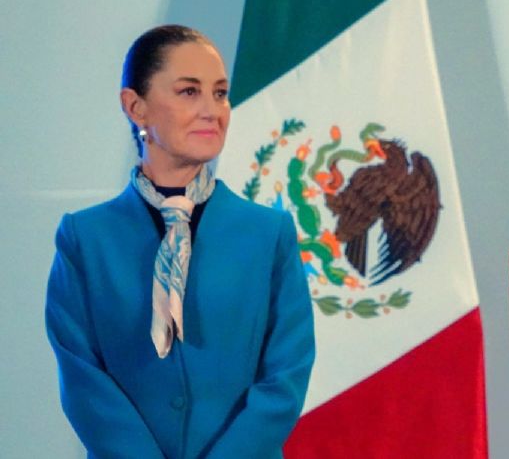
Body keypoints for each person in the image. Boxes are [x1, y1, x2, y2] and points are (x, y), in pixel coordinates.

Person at [45, 25, 315, 458]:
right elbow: (83, 380)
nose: (213, 110)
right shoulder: (85, 239)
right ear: (136, 107)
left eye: (221, 93)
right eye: (190, 92)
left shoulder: (268, 235)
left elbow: (286, 375)